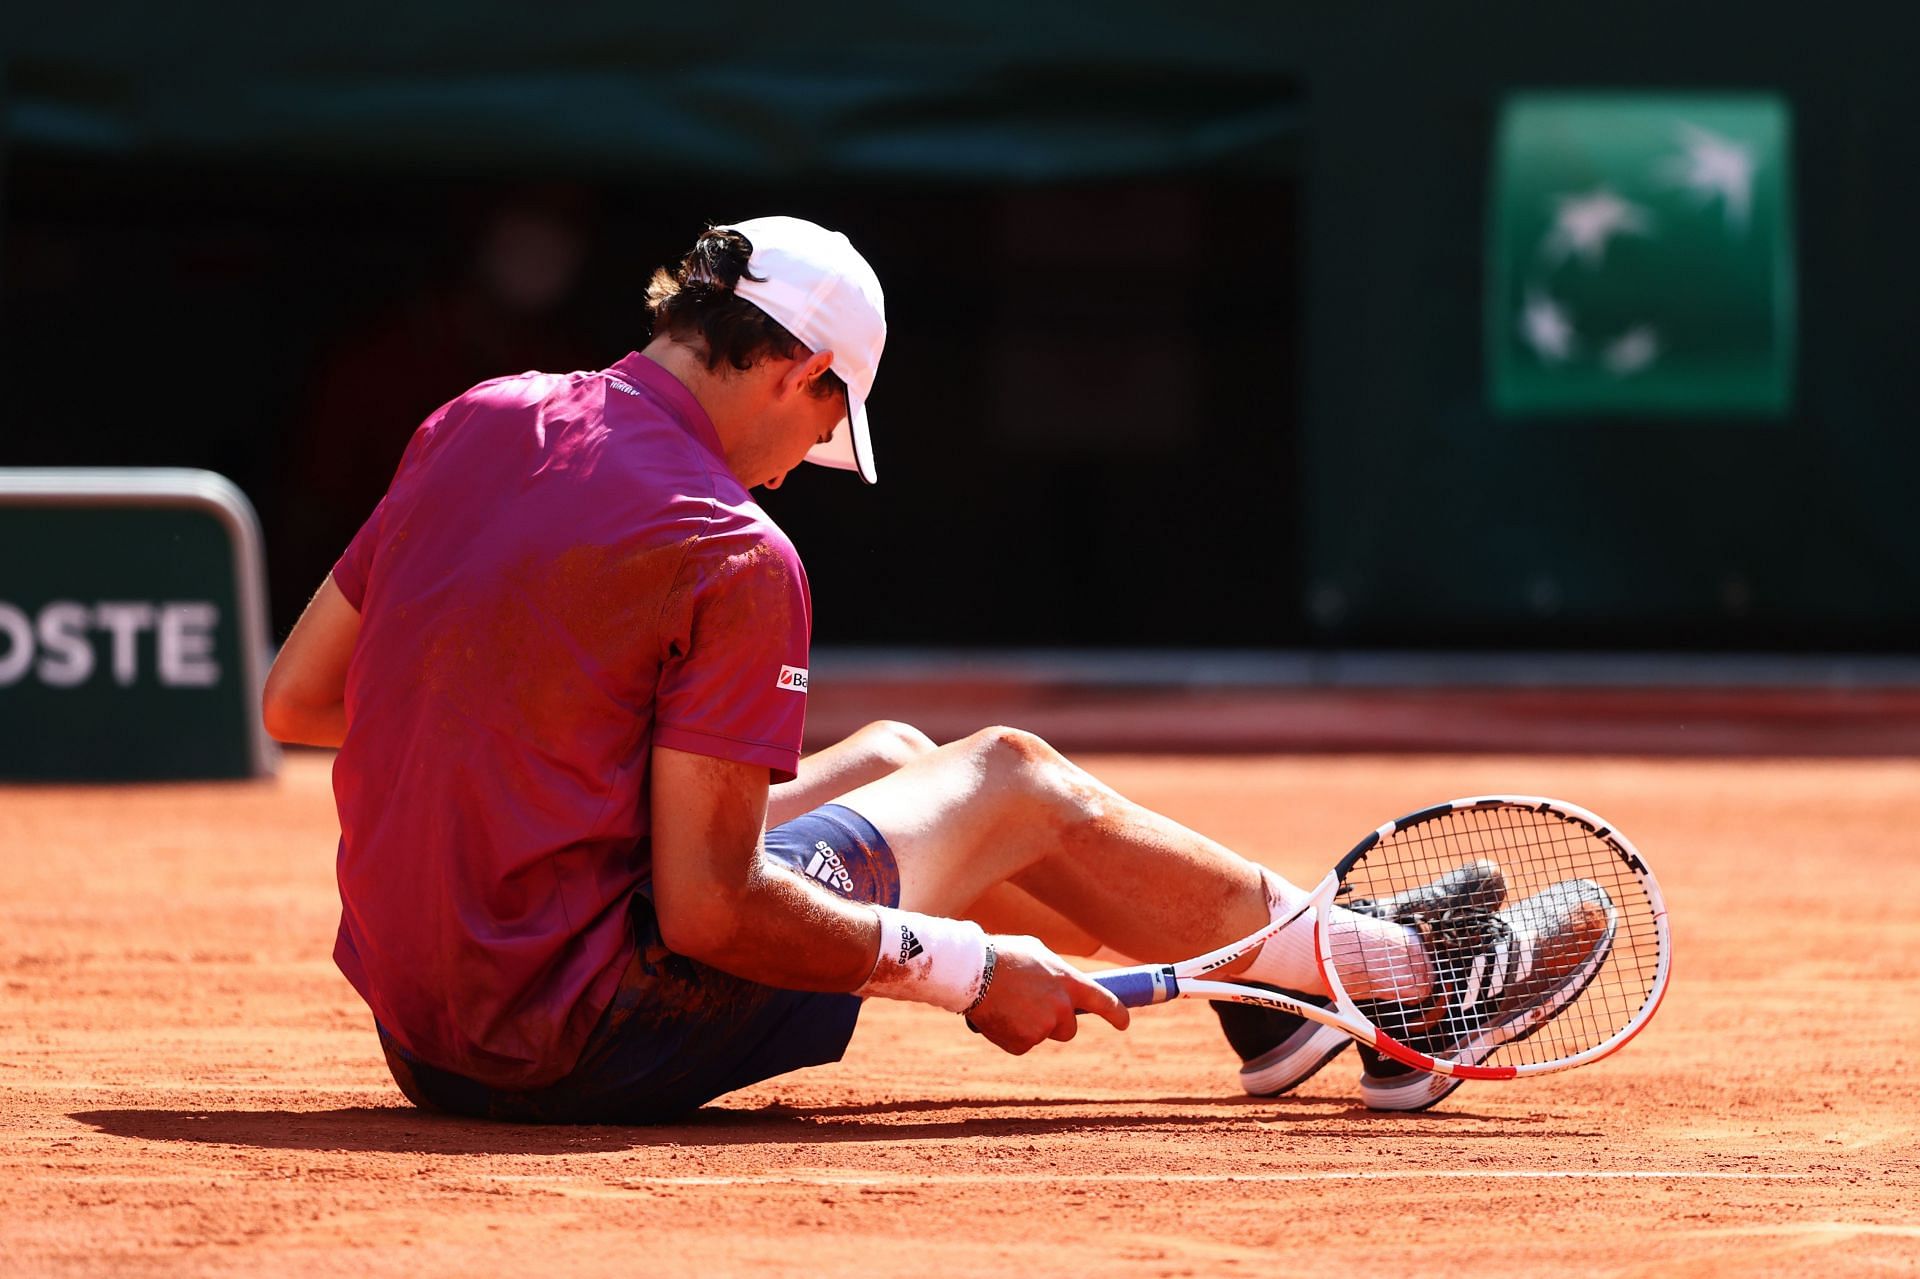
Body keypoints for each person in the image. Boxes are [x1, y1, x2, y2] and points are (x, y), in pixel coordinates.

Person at [262, 216, 1610, 1122]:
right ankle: (1400, 981)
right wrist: (968, 970)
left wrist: (535, 776)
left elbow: (302, 699)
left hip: (430, 1036)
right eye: (829, 420)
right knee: (1010, 779)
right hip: (579, 1041)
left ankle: (1279, 1003)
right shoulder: (733, 551)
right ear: (794, 369)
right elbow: (712, 912)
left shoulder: (477, 422)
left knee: (906, 762)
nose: (806, 464)